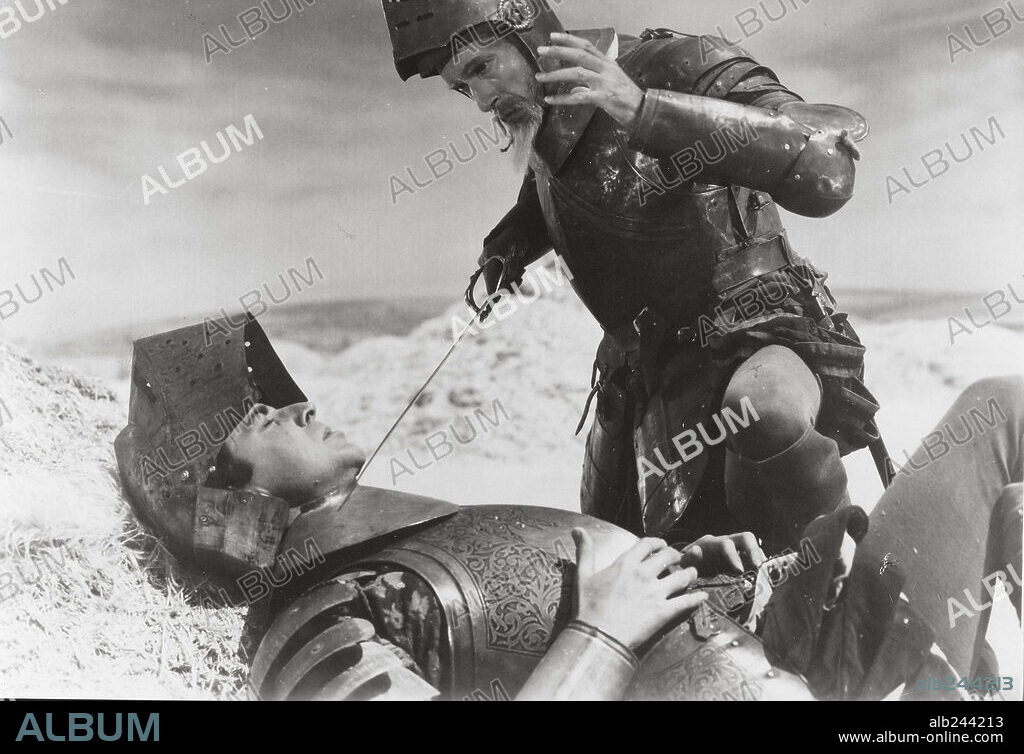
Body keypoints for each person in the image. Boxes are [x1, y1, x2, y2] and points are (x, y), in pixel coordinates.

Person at [115, 315, 1020, 701]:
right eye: (266, 416)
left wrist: (711, 584)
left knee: (997, 408)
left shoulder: (402, 537)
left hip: (792, 653)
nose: (303, 403)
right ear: (226, 496)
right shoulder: (307, 621)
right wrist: (608, 635)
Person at [378, 0, 887, 551]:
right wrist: (507, 245)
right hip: (645, 378)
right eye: (463, 86)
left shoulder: (675, 63)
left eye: (482, 68)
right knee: (618, 557)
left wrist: (643, 108)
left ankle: (841, 588)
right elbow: (570, 189)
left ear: (529, 34)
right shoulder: (549, 121)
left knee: (762, 412)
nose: (481, 97)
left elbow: (827, 168)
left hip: (755, 333)